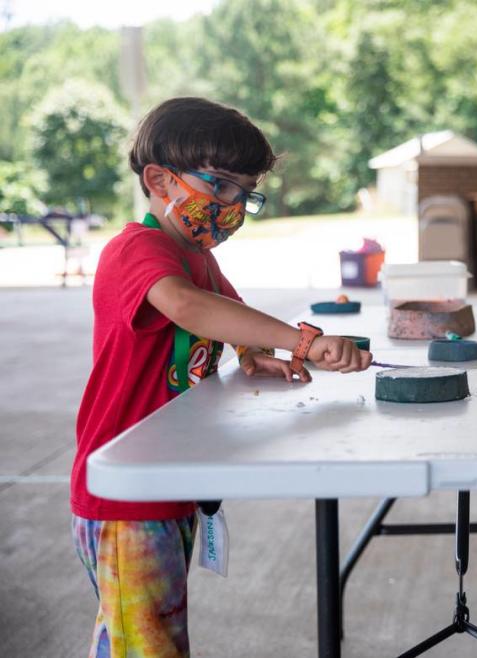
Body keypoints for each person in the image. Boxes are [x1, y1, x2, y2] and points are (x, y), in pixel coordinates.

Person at [70, 97, 372, 657]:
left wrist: (253, 351)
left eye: (245, 193)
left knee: (131, 636)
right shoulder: (137, 249)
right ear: (160, 180)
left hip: (167, 481)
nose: (233, 206)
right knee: (151, 645)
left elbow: (225, 309)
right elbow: (188, 307)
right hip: (125, 493)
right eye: (221, 186)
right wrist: (305, 340)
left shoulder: (198, 257)